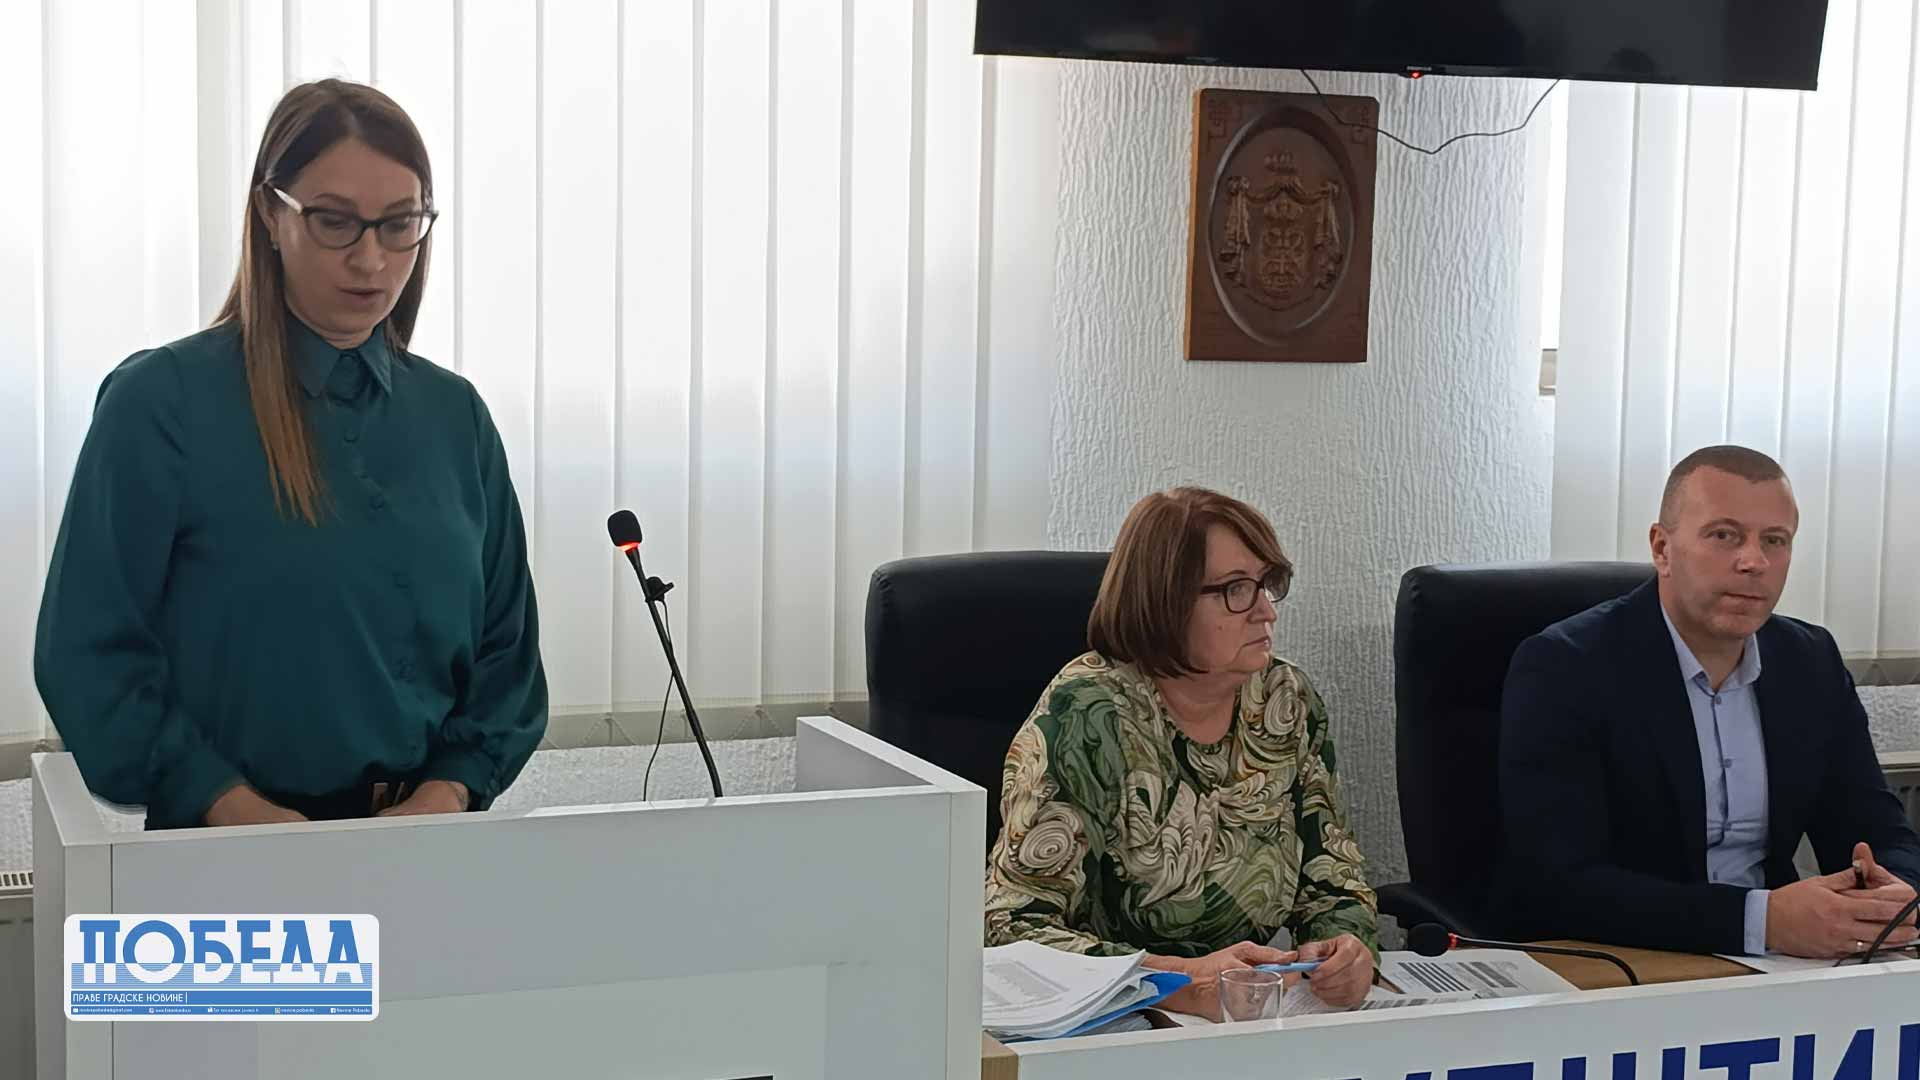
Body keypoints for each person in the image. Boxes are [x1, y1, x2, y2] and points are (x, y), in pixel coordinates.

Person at [34, 79, 547, 829]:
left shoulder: (456, 416)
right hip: (227, 853)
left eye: (399, 224)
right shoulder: (161, 402)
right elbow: (89, 653)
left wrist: (447, 792)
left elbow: (509, 657)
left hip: (429, 845)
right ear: (271, 216)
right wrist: (230, 807)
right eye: (335, 222)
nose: (371, 259)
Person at [1499, 445, 1920, 957]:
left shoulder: (1809, 662)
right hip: (1630, 959)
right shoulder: (1566, 666)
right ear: (1661, 548)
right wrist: (1762, 921)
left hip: (1787, 966)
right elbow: (1557, 883)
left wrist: (1898, 893)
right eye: (1724, 535)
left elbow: (1878, 830)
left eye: (1775, 540)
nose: (1754, 562)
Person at [985, 487, 1378, 1018]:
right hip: (1106, 1020)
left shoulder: (1285, 701)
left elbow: (1333, 877)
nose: (1266, 611)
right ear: (1165, 602)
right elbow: (1012, 927)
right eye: (1236, 590)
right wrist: (1179, 978)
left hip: (1247, 1013)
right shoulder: (1089, 714)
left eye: (1267, 584)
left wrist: (1347, 949)